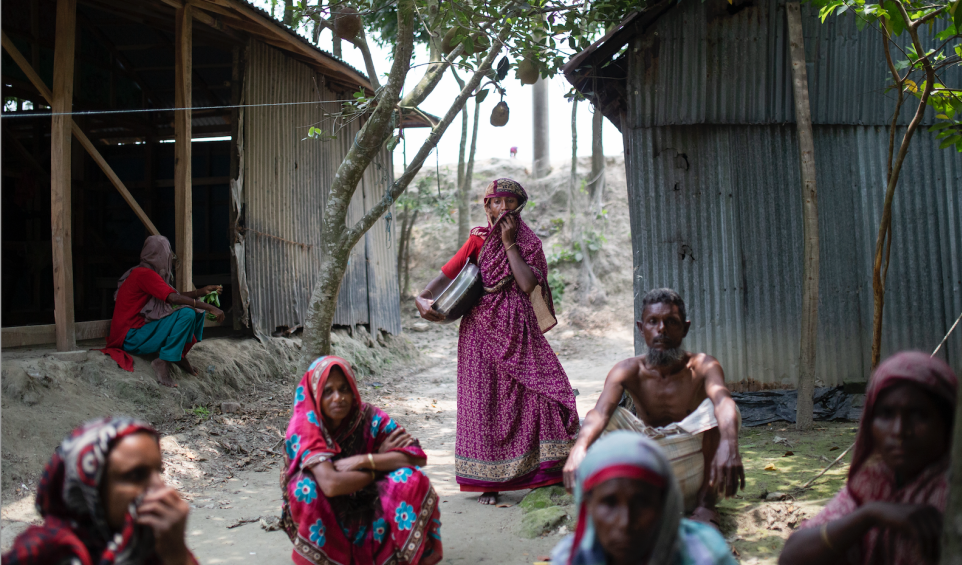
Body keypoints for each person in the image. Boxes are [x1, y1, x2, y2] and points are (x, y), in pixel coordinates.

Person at [415, 178, 579, 505]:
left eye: (511, 201)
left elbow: (528, 283)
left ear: (520, 206)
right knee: (485, 400)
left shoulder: (529, 243)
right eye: (497, 201)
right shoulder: (477, 239)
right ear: (487, 206)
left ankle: (543, 474)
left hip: (519, 328)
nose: (503, 207)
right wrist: (422, 297)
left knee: (541, 390)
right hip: (479, 330)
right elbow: (447, 274)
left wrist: (508, 243)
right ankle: (488, 481)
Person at [563, 288, 743, 525]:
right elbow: (599, 413)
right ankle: (627, 502)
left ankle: (705, 505)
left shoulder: (703, 365)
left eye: (671, 322)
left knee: (721, 408)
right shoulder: (627, 370)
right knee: (605, 418)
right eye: (653, 322)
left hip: (696, 475)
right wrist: (578, 449)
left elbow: (723, 402)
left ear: (685, 328)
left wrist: (730, 444)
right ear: (641, 328)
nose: (662, 329)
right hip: (648, 473)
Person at [778, 351, 958, 565]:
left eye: (919, 414)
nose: (900, 431)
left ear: (947, 421)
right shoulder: (875, 484)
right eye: (886, 414)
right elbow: (790, 557)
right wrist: (870, 514)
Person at [279, 356, 443, 565]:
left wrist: (367, 459)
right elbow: (331, 484)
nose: (338, 398)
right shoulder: (305, 425)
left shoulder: (367, 416)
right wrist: (379, 466)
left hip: (369, 503)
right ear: (315, 394)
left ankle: (400, 557)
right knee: (304, 487)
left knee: (410, 478)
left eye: (344, 389)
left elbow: (414, 456)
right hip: (325, 509)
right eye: (328, 391)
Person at [2, 417, 197, 565]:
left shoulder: (153, 547)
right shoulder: (40, 554)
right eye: (136, 475)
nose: (160, 488)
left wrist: (177, 555)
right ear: (89, 488)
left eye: (158, 472)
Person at [550, 431, 737, 565]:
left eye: (642, 503)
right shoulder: (569, 558)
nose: (625, 522)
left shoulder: (706, 554)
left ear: (665, 504)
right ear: (588, 504)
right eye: (609, 502)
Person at [99, 235, 225, 387]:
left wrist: (200, 292)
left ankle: (178, 354)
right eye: (167, 253)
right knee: (187, 313)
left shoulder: (144, 272)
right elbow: (173, 298)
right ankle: (163, 361)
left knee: (197, 309)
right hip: (129, 338)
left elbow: (173, 295)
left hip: (136, 332)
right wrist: (211, 307)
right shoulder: (144, 274)